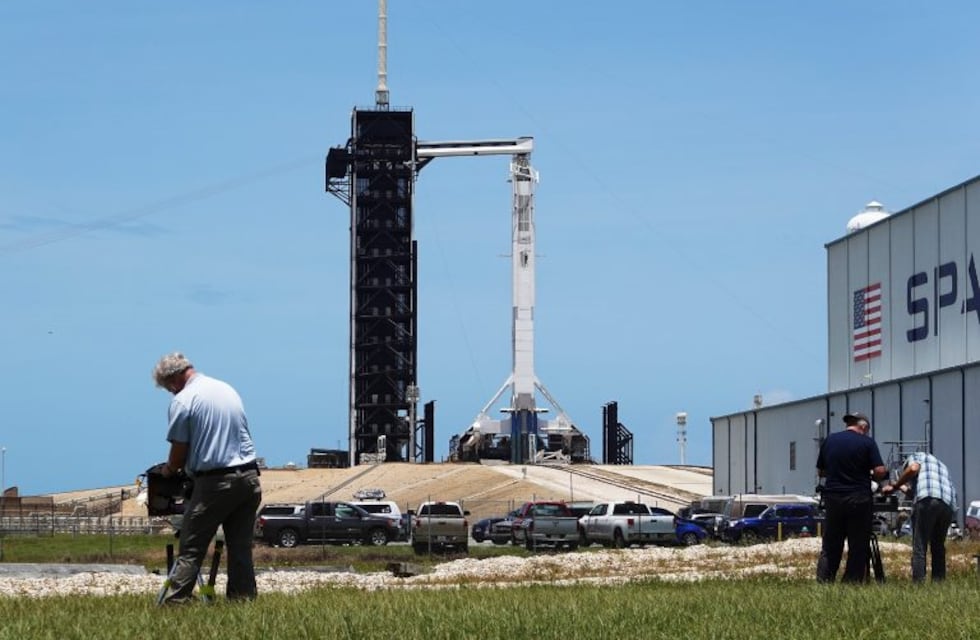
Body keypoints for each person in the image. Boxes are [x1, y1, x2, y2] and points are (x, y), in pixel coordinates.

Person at [152, 352, 262, 604]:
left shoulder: (184, 400)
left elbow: (179, 452)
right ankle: (242, 601)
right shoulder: (225, 389)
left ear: (173, 379)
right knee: (240, 548)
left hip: (215, 481)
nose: (170, 392)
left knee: (191, 546)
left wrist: (168, 471)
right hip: (248, 478)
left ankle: (176, 602)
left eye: (168, 388)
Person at [815, 411, 887, 583]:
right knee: (858, 544)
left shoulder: (829, 440)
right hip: (858, 498)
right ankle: (851, 583)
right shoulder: (867, 443)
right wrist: (872, 475)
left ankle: (824, 580)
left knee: (831, 544)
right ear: (863, 426)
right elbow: (879, 470)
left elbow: (821, 471)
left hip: (833, 498)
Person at [882, 451, 957, 582]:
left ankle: (919, 584)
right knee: (938, 546)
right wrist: (901, 487)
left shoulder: (917, 457)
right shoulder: (941, 466)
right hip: (947, 504)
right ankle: (938, 583)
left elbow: (913, 468)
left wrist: (896, 485)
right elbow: (917, 492)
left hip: (927, 500)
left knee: (920, 546)